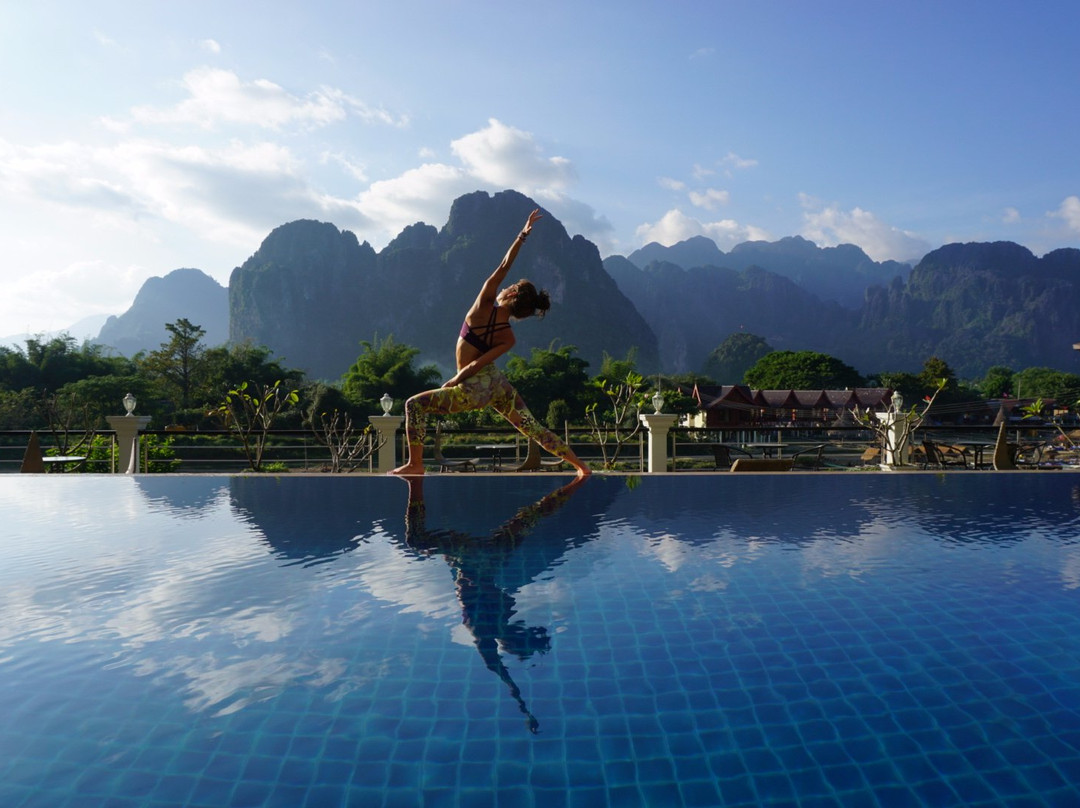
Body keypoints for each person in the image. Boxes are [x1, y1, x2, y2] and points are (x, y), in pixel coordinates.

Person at [390, 208, 591, 477]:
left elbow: (504, 266)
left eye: (510, 286)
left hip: (472, 387)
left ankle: (416, 463)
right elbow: (482, 362)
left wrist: (454, 381)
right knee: (532, 426)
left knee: (413, 405)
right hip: (496, 385)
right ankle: (581, 466)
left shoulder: (483, 305)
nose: (505, 286)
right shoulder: (509, 336)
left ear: (512, 293)